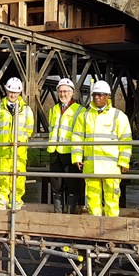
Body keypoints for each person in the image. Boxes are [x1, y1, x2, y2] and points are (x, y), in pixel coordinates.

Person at [71, 80, 132, 217]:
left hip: (112, 167)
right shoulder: (85, 116)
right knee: (93, 198)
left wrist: (124, 162)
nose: (96, 98)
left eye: (99, 95)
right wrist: (77, 157)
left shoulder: (118, 116)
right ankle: (95, 227)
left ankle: (111, 228)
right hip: (91, 166)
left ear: (107, 96)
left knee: (112, 198)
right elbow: (77, 138)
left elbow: (126, 140)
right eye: (94, 95)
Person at [0, 77, 34, 210]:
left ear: (20, 93)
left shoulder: (26, 110)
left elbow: (29, 130)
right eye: (10, 92)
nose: (13, 95)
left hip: (19, 151)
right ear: (6, 91)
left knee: (18, 178)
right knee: (1, 177)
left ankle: (16, 200)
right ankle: (1, 199)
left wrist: (22, 141)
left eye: (15, 92)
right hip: (2, 151)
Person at [47, 78, 86, 213]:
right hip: (55, 153)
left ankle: (69, 214)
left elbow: (81, 134)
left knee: (72, 185)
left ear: (72, 93)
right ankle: (58, 214)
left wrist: (79, 156)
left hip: (71, 154)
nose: (62, 94)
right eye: (60, 91)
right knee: (56, 185)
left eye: (65, 91)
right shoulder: (53, 110)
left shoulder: (80, 110)